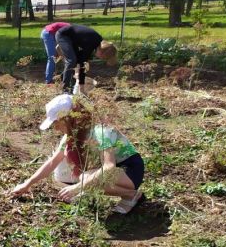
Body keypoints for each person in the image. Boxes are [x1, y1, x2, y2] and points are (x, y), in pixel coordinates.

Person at [11, 94, 144, 214]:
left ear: (69, 118)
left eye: (57, 122)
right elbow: (52, 162)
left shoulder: (100, 131)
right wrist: (27, 184)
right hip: (115, 172)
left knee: (86, 179)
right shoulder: (72, 135)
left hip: (130, 170)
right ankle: (115, 193)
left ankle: (131, 195)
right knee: (85, 178)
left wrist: (77, 188)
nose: (55, 128)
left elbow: (109, 166)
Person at [54, 24, 117, 92]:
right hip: (63, 35)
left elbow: (81, 61)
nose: (99, 58)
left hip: (72, 39)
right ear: (101, 52)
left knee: (75, 61)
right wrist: (82, 88)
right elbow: (82, 65)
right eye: (102, 57)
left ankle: (68, 82)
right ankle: (65, 89)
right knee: (71, 60)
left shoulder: (98, 42)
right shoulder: (91, 44)